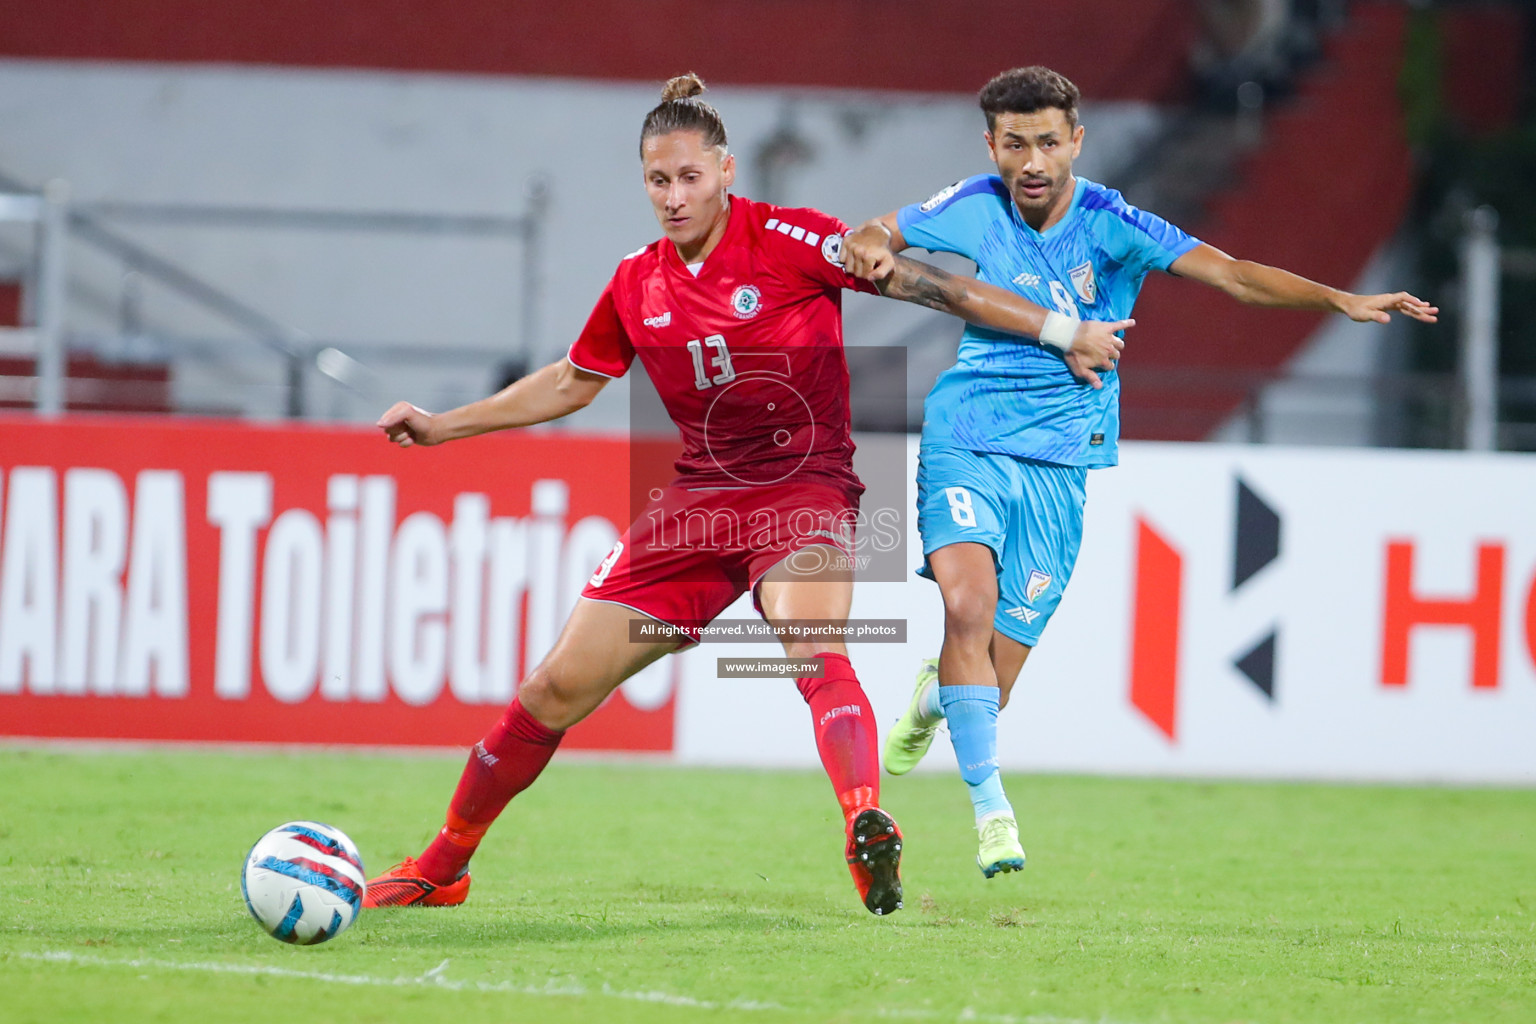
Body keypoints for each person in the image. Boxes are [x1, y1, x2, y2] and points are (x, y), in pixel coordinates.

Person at [361, 73, 1132, 916]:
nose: (674, 195)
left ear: (726, 170)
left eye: (691, 177)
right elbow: (572, 382)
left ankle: (865, 819)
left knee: (814, 649)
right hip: (698, 503)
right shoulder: (636, 282)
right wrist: (444, 427)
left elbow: (940, 289)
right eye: (658, 180)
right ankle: (445, 863)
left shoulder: (795, 241)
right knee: (551, 689)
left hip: (804, 489)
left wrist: (1062, 330)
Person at [842, 65, 1438, 880]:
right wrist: (871, 242)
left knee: (990, 674)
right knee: (966, 604)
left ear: (1076, 141)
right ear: (993, 146)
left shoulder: (1114, 224)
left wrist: (1336, 298)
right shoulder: (974, 203)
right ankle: (993, 815)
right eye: (1014, 144)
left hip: (1061, 466)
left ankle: (936, 699)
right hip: (967, 438)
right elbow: (876, 232)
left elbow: (1230, 274)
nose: (1032, 162)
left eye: (1049, 142)